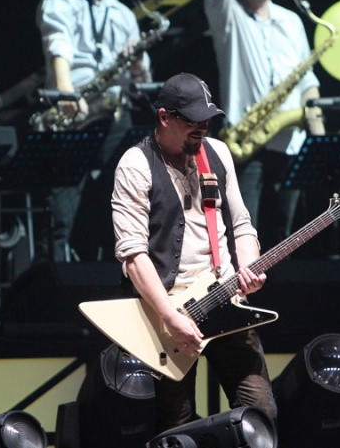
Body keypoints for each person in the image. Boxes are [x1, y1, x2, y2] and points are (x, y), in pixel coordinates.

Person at [112, 72, 276, 433]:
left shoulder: (217, 153)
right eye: (192, 120)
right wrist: (170, 317)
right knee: (177, 424)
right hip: (168, 312)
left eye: (207, 119)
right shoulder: (136, 164)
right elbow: (134, 257)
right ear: (164, 117)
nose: (202, 127)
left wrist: (249, 267)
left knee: (261, 413)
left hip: (225, 300)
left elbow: (241, 225)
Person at [203, 0, 325, 251]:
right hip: (248, 146)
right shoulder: (229, 16)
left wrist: (318, 137)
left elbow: (307, 82)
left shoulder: (291, 20)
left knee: (285, 237)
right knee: (244, 232)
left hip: (290, 144)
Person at [36, 0, 151, 262]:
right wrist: (67, 94)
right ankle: (55, 273)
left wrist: (139, 64)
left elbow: (140, 79)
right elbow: (58, 45)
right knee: (62, 208)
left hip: (114, 114)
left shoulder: (124, 15)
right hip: (74, 108)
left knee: (121, 203)